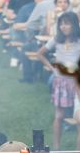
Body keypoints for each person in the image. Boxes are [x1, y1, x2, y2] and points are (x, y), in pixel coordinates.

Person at [36, 11, 80, 150]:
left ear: (74, 25)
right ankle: (56, 148)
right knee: (59, 116)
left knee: (79, 120)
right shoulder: (56, 40)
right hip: (61, 82)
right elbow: (40, 54)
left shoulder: (78, 40)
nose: (63, 26)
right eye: (61, 23)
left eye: (67, 23)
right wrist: (51, 67)